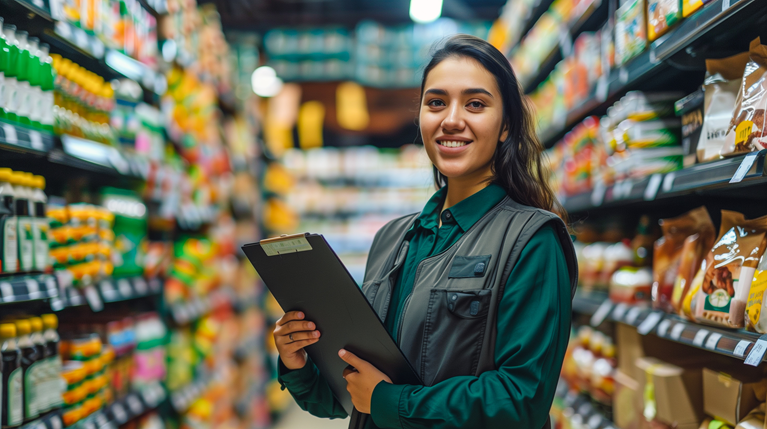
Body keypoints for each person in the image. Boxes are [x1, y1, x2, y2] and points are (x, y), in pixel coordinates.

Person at [272, 34, 577, 429]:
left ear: (505, 127)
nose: (451, 119)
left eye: (476, 104)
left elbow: (521, 402)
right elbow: (349, 398)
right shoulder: (391, 239)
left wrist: (390, 401)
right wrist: (299, 363)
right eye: (436, 103)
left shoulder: (532, 240)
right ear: (420, 118)